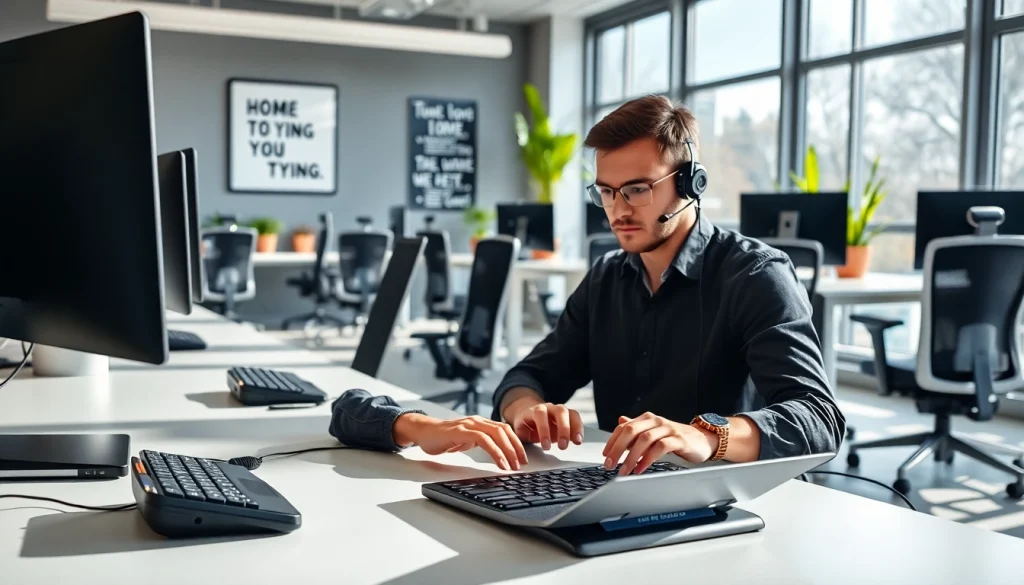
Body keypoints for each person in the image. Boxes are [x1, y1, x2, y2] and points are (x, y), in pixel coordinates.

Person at [329, 95, 845, 474]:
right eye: (605, 192)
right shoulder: (606, 279)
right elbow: (528, 375)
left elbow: (819, 419)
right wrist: (528, 411)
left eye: (637, 189)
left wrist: (705, 434)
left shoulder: (755, 275)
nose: (617, 210)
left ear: (689, 184)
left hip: (728, 498)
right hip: (621, 490)